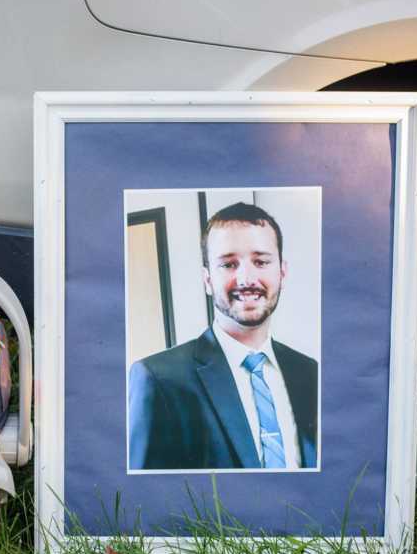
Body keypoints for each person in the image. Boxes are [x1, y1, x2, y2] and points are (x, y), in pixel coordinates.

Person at [128, 202, 318, 471]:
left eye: (261, 261)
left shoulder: (310, 372)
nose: (246, 278)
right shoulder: (158, 379)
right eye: (229, 264)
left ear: (282, 273)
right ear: (207, 280)